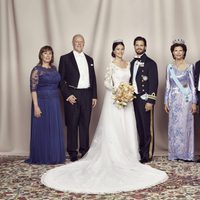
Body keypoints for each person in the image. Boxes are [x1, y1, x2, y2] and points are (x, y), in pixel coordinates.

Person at [41, 40, 168, 194]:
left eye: (122, 48)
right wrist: (118, 90)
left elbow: (133, 82)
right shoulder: (111, 64)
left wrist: (127, 92)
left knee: (127, 127)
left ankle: (132, 154)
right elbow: (106, 82)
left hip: (128, 101)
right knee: (113, 127)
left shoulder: (129, 64)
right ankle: (106, 155)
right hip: (114, 99)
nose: (120, 51)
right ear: (113, 51)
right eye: (117, 49)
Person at [58, 34, 97, 162]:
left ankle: (85, 150)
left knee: (85, 123)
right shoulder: (65, 59)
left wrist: (94, 96)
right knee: (72, 123)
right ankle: (72, 151)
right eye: (76, 41)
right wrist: (68, 95)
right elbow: (61, 80)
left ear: (84, 43)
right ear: (72, 43)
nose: (79, 43)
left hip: (87, 94)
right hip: (73, 93)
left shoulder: (90, 59)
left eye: (81, 42)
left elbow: (93, 79)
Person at [25, 46, 66, 164]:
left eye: (50, 54)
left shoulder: (54, 69)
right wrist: (36, 106)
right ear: (41, 55)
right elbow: (33, 89)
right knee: (42, 129)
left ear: (52, 56)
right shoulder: (36, 70)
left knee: (53, 129)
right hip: (42, 102)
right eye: (45, 53)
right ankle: (42, 157)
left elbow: (59, 84)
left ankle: (53, 156)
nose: (48, 56)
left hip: (55, 102)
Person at [164, 39, 197, 161]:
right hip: (173, 100)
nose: (178, 53)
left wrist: (194, 102)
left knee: (186, 126)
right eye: (175, 50)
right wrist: (166, 101)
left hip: (186, 100)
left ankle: (186, 154)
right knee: (174, 127)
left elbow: (193, 86)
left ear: (184, 52)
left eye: (180, 50)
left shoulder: (189, 66)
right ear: (172, 52)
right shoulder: (169, 67)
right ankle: (175, 154)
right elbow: (167, 85)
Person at [130, 36, 158, 163]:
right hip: (134, 99)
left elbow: (153, 83)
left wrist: (150, 101)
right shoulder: (131, 63)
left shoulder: (151, 63)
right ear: (134, 46)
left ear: (145, 47)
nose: (139, 47)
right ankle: (141, 152)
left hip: (145, 99)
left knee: (147, 128)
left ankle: (147, 154)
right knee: (139, 127)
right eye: (137, 45)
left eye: (141, 45)